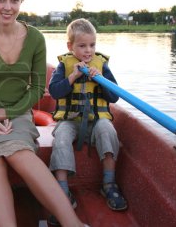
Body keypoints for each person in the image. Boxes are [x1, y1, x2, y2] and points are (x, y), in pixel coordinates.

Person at [0, 0, 88, 227]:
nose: (7, 7)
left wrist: (9, 113)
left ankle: (72, 224)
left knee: (19, 153)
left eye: (14, 0)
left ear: (21, 2)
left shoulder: (36, 39)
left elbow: (37, 87)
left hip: (19, 112)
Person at [48, 18, 128, 223]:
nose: (88, 51)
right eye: (82, 46)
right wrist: (72, 77)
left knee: (107, 130)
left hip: (96, 120)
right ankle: (63, 190)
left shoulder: (101, 65)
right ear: (70, 46)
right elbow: (55, 92)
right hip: (70, 120)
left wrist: (101, 80)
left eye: (92, 45)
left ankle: (108, 184)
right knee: (62, 136)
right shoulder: (64, 65)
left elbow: (114, 97)